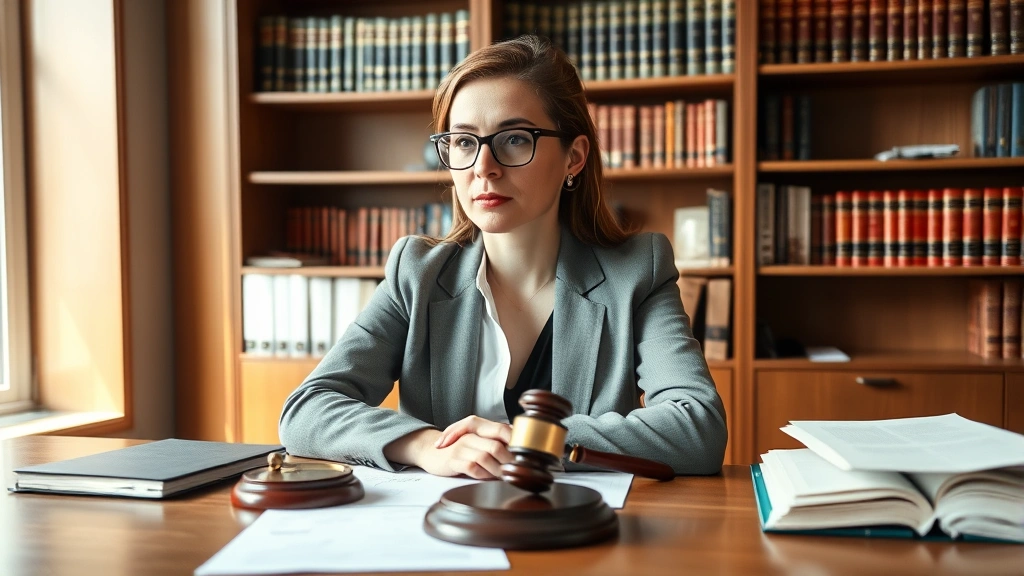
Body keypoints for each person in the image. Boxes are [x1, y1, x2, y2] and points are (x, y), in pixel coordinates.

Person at [279, 35, 727, 479]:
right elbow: (306, 412)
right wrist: (425, 446)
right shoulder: (417, 272)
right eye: (463, 142)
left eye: (514, 139)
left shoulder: (637, 271)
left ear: (574, 156)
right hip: (443, 533)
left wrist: (532, 441)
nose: (483, 167)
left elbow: (697, 429)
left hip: (578, 531)